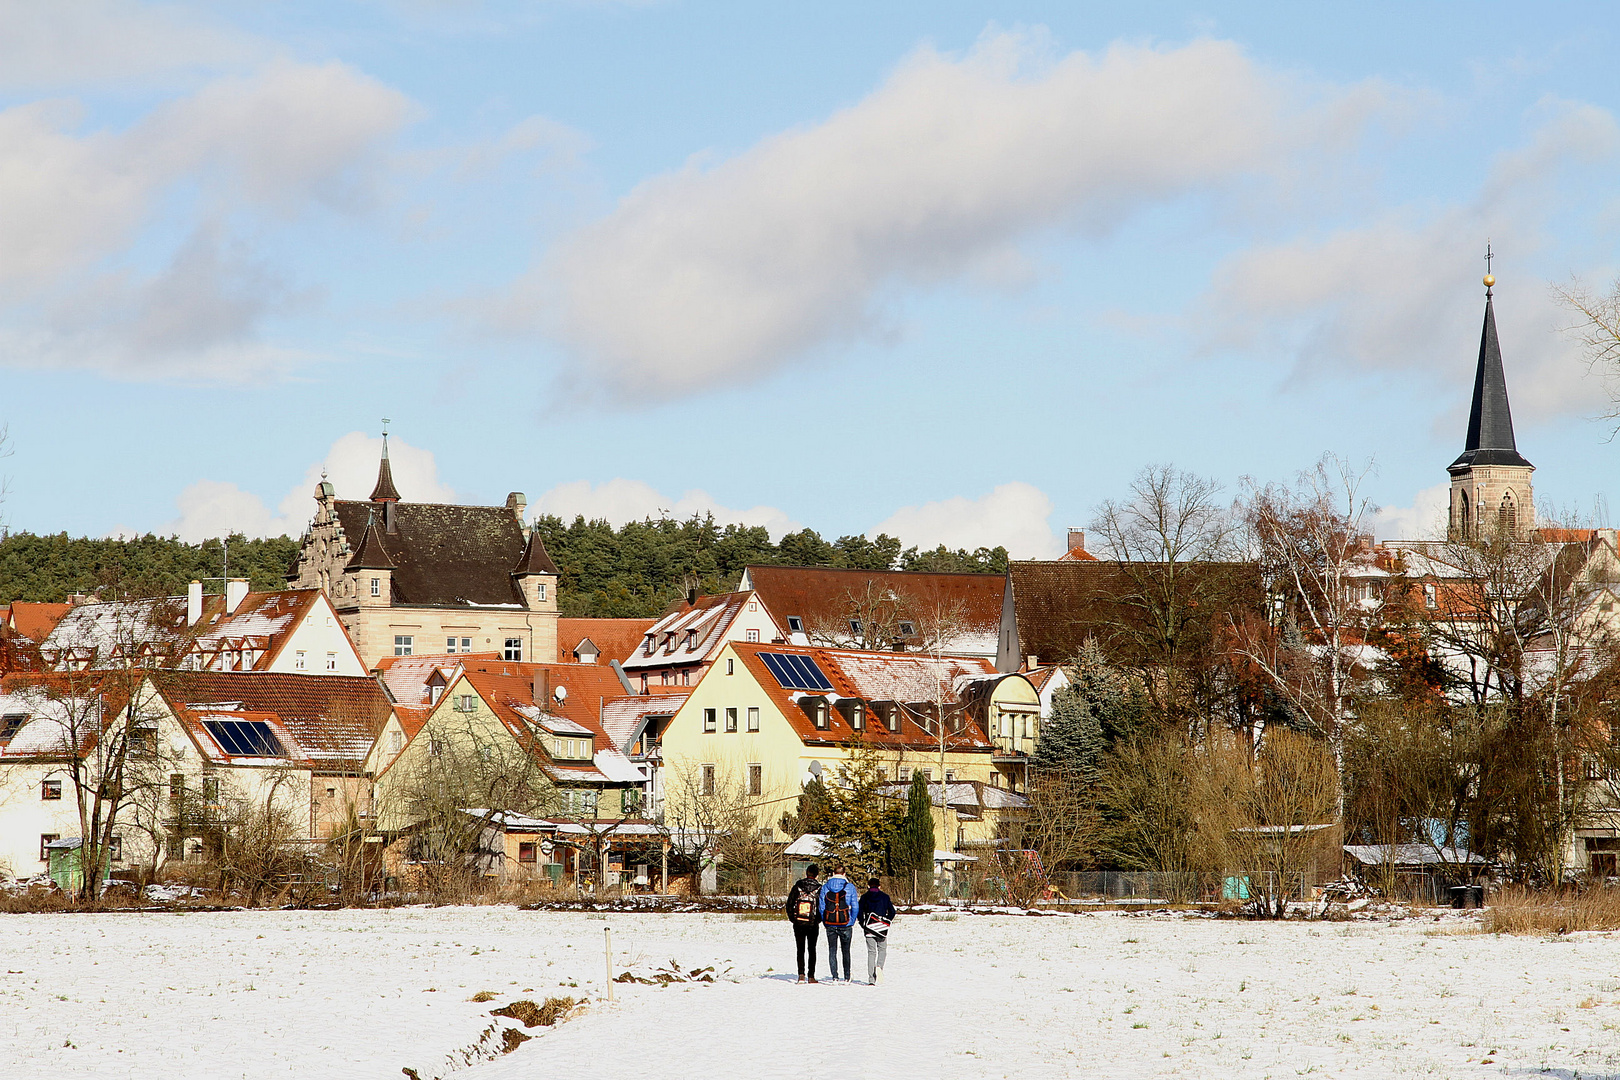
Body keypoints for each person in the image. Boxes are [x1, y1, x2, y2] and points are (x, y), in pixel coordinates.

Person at [817, 864, 860, 982]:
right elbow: (855, 906)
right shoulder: (850, 887)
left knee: (832, 950)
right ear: (844, 874)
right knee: (846, 950)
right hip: (845, 922)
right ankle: (847, 977)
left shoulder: (825, 887)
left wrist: (825, 920)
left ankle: (835, 977)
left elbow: (822, 906)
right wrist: (852, 920)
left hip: (830, 922)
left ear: (833, 873)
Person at [785, 863, 822, 983]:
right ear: (816, 875)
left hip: (799, 922)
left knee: (800, 949)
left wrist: (793, 918)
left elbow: (789, 904)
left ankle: (801, 974)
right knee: (812, 948)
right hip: (813, 923)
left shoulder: (797, 886)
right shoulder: (819, 888)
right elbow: (822, 907)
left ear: (806, 873)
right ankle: (811, 976)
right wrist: (818, 920)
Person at [858, 877, 896, 985]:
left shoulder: (864, 897)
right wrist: (886, 921)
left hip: (869, 929)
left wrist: (863, 924)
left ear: (868, 886)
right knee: (882, 950)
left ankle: (871, 978)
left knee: (871, 953)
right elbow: (892, 912)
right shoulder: (885, 897)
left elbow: (860, 913)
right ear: (879, 886)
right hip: (881, 929)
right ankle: (879, 966)